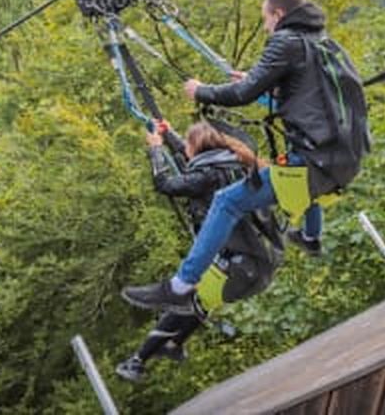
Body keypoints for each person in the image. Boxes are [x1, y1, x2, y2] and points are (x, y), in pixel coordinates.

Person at [123, 0, 368, 313]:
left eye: (266, 19)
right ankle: (311, 237)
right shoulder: (323, 43)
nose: (266, 26)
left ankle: (180, 286)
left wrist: (202, 91)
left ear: (278, 15)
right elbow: (306, 98)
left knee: (227, 202)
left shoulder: (285, 39)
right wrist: (257, 79)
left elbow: (242, 96)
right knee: (294, 191)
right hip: (345, 156)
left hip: (315, 161)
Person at [117, 121, 281, 382]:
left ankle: (138, 361)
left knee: (184, 296)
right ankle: (171, 345)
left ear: (197, 147)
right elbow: (192, 155)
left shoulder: (207, 176)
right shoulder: (237, 164)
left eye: (187, 143)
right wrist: (169, 134)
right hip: (260, 259)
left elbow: (166, 184)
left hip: (241, 261)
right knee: (198, 298)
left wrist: (156, 150)